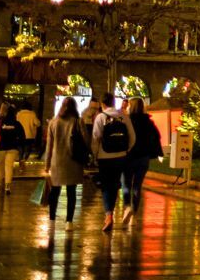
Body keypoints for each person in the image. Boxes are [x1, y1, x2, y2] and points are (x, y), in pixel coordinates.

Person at [87, 92, 137, 232]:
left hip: (104, 157)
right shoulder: (124, 117)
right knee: (114, 185)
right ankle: (110, 212)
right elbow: (132, 137)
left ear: (102, 104)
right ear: (114, 102)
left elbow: (96, 139)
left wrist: (95, 156)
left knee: (105, 186)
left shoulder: (101, 117)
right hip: (120, 157)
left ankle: (108, 215)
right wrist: (126, 150)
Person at [41, 97, 88, 229]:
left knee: (54, 191)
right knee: (71, 192)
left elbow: (49, 146)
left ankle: (51, 219)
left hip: (57, 162)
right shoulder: (78, 122)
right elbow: (86, 141)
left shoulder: (53, 122)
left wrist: (47, 165)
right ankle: (69, 222)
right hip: (74, 162)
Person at [123, 98, 163, 220]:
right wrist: (156, 153)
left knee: (126, 184)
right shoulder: (148, 122)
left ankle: (127, 206)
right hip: (143, 158)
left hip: (128, 157)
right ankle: (134, 215)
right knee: (137, 186)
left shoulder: (127, 121)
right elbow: (157, 136)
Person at [0, 103, 25, 197]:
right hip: (13, 148)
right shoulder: (17, 123)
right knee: (9, 167)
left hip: (1, 148)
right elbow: (22, 137)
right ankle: (7, 186)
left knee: (1, 167)